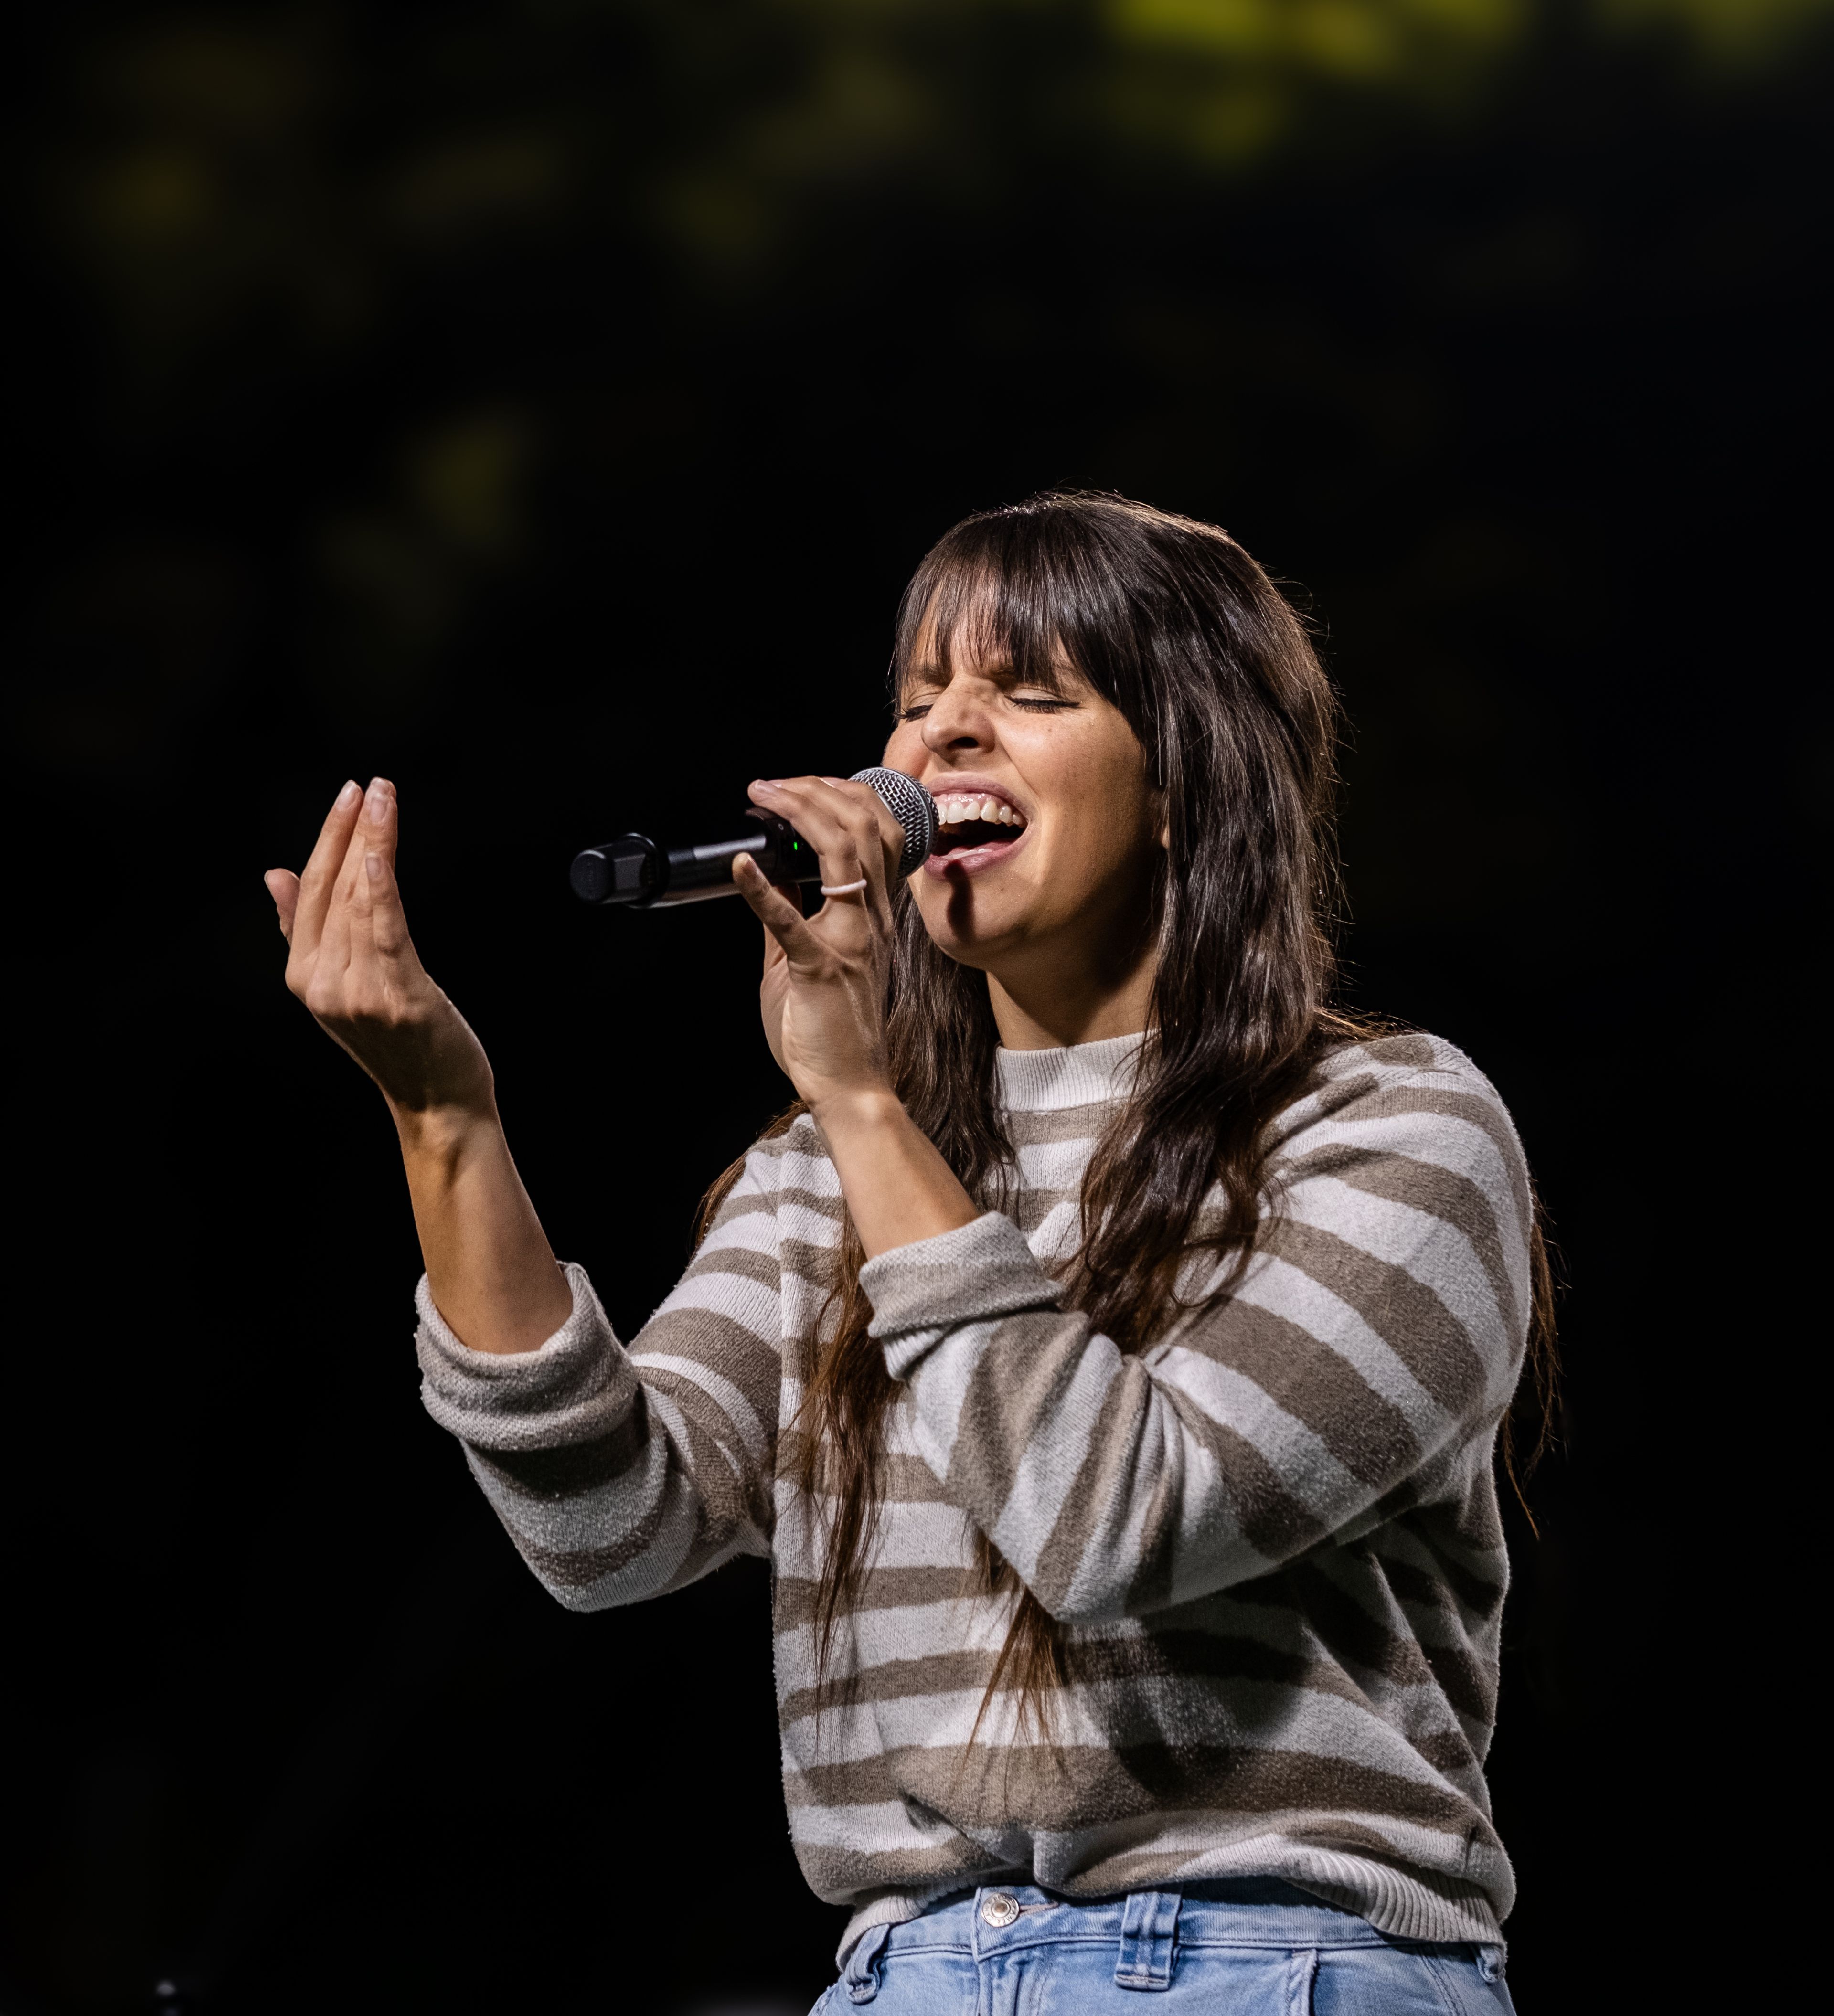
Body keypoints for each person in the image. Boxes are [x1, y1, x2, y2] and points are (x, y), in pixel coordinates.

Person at [266, 491, 1550, 2014]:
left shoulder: (1384, 1128)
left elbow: (1117, 1523)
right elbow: (611, 1528)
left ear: (1184, 784)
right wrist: (445, 1120)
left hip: (1267, 1958)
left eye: (1027, 694)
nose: (937, 741)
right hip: (911, 1970)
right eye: (921, 697)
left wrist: (865, 1101)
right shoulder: (832, 1171)